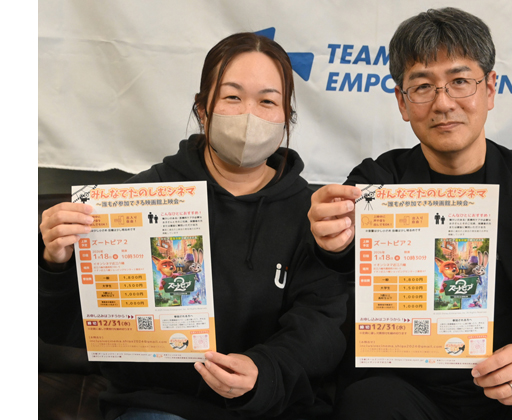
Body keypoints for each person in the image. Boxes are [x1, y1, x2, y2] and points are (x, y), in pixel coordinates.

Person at [307, 8, 512, 419]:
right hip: (410, 386)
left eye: (460, 81)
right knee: (367, 403)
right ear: (402, 102)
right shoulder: (375, 184)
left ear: (490, 89)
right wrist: (331, 243)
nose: (443, 103)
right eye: (423, 87)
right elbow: (338, 271)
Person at [39, 32, 348, 420]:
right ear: (203, 109)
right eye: (232, 97)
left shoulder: (313, 215)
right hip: (161, 404)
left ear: (287, 116)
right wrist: (55, 263)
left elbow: (322, 324)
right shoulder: (135, 200)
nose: (249, 115)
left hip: (272, 407)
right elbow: (65, 328)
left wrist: (264, 371)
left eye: (267, 101)